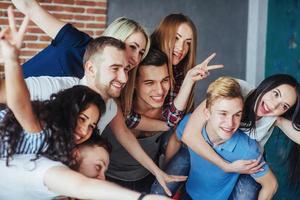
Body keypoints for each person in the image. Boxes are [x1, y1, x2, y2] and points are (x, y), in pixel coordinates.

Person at [0, 6, 185, 196]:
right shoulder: (58, 88)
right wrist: (10, 60)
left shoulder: (111, 104)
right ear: (92, 67)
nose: (134, 61)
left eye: (140, 53)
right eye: (131, 48)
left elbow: (124, 134)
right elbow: (18, 104)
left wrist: (157, 171)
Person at [181, 74, 300, 199]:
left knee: (245, 194)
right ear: (267, 85)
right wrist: (226, 166)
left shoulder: (274, 118)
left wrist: (279, 119)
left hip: (248, 160)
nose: (273, 105)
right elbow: (189, 135)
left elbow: (272, 185)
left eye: (284, 106)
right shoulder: (237, 88)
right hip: (222, 154)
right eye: (276, 94)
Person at [125, 13, 223, 131]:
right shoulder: (140, 58)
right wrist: (165, 126)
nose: (181, 48)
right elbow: (123, 114)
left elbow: (172, 119)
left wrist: (189, 80)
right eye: (176, 38)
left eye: (188, 42)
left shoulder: (178, 71)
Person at [11, 0, 150, 77]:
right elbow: (28, 6)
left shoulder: (113, 82)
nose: (136, 59)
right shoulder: (77, 42)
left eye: (141, 53)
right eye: (133, 47)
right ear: (117, 37)